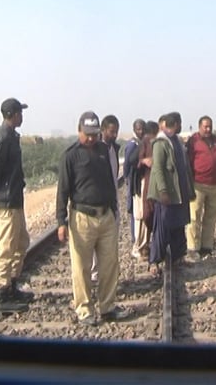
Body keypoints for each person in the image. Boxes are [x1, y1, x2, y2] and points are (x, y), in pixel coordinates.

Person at [56, 111, 130, 326]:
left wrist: (114, 209)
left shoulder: (103, 151)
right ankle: (85, 309)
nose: (91, 138)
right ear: (79, 130)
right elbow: (62, 191)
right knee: (82, 267)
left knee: (109, 265)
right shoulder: (70, 156)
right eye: (87, 134)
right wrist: (61, 222)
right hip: (82, 218)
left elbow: (110, 181)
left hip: (105, 216)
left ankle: (107, 307)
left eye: (94, 134)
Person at [0, 98, 33, 315]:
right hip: (6, 200)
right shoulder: (3, 138)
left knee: (21, 242)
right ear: (12, 114)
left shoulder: (11, 136)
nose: (22, 116)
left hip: (14, 198)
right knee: (7, 247)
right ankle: (2, 295)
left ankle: (11, 286)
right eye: (20, 112)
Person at [147, 112, 195, 276]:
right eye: (178, 123)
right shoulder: (161, 143)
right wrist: (163, 191)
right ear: (174, 124)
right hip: (167, 194)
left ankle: (178, 257)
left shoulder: (177, 140)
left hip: (179, 193)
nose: (180, 126)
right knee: (162, 227)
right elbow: (158, 168)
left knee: (179, 225)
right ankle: (155, 261)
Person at [185, 115, 216, 261]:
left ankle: (206, 247)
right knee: (193, 216)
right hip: (198, 184)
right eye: (205, 127)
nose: (208, 129)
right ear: (199, 127)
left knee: (211, 216)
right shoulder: (193, 141)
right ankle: (192, 248)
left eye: (210, 126)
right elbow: (188, 162)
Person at [90, 114, 122, 282]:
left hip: (113, 200)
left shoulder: (113, 149)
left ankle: (108, 275)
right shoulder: (96, 149)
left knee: (110, 241)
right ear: (103, 130)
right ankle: (96, 275)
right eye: (111, 131)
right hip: (101, 203)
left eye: (116, 131)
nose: (114, 135)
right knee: (97, 242)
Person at [130, 120, 158, 259]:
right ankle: (139, 247)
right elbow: (131, 162)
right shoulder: (140, 144)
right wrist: (143, 161)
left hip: (147, 184)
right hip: (141, 185)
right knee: (142, 216)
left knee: (146, 215)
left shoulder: (145, 143)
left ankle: (144, 246)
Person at [123, 119, 145, 243]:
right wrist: (126, 178)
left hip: (138, 178)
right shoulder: (132, 144)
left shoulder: (142, 143)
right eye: (138, 129)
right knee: (134, 209)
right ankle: (134, 237)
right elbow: (127, 163)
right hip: (133, 179)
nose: (141, 131)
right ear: (134, 130)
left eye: (142, 129)